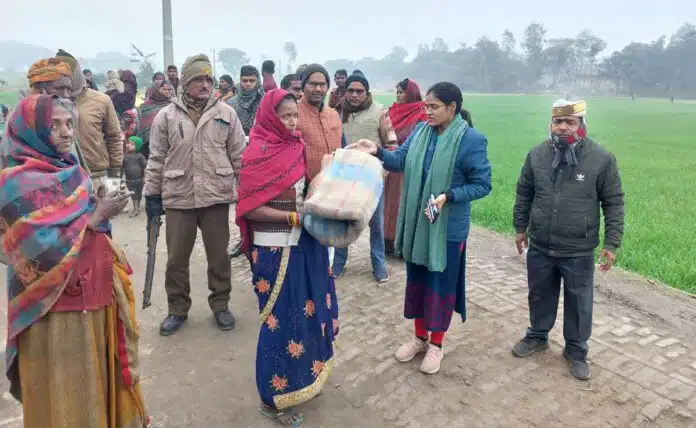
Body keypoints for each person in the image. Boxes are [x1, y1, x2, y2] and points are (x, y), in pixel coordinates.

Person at [0, 94, 148, 427]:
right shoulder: (14, 183)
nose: (66, 133)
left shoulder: (71, 170)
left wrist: (98, 206)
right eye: (54, 126)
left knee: (96, 382)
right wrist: (94, 218)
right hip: (52, 314)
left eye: (70, 124)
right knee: (68, 394)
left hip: (92, 297)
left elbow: (73, 221)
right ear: (31, 131)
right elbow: (29, 248)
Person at [348, 82, 492, 374]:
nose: (428, 111)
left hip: (447, 229)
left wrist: (450, 196)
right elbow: (399, 160)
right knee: (417, 283)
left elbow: (482, 184)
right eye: (426, 106)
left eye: (434, 107)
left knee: (440, 285)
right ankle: (419, 339)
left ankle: (437, 345)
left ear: (452, 108)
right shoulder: (420, 131)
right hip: (418, 223)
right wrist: (375, 149)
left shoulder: (471, 140)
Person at [236, 89, 338, 426]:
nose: (293, 122)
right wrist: (293, 217)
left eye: (295, 115)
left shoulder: (296, 145)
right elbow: (249, 209)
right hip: (273, 251)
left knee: (306, 315)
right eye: (285, 116)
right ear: (269, 116)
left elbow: (303, 190)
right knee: (278, 322)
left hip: (304, 246)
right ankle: (271, 399)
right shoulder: (256, 152)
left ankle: (303, 381)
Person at [511, 99, 625, 381]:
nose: (562, 128)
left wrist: (611, 243)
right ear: (551, 124)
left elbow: (613, 203)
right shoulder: (537, 155)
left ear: (581, 125)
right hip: (541, 244)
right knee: (539, 294)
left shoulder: (601, 159)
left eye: (570, 122)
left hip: (578, 248)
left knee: (579, 302)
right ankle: (537, 336)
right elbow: (524, 192)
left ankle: (576, 350)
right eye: (557, 122)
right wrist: (520, 227)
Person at [143, 54, 246, 336]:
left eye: (208, 79)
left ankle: (221, 304)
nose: (204, 84)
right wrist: (152, 195)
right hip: (178, 196)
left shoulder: (227, 113)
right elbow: (156, 157)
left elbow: (239, 156)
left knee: (219, 257)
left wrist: (246, 191)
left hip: (216, 195)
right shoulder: (166, 116)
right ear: (185, 82)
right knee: (176, 258)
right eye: (197, 79)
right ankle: (177, 309)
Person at [332, 72, 396, 282]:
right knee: (343, 221)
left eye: (359, 91)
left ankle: (378, 264)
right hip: (344, 178)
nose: (354, 95)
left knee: (376, 224)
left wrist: (382, 172)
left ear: (367, 92)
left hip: (372, 179)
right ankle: (338, 264)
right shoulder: (336, 112)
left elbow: (392, 145)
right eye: (350, 90)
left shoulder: (380, 112)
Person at [55, 49, 124, 195]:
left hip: (96, 176)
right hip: (61, 178)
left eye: (67, 74)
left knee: (103, 215)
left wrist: (115, 179)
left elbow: (114, 138)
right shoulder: (48, 103)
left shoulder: (101, 100)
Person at [384, 78, 428, 254]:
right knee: (390, 205)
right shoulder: (391, 111)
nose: (398, 95)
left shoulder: (422, 114)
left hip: (411, 167)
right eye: (397, 91)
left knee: (407, 205)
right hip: (391, 165)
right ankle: (387, 241)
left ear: (410, 94)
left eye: (401, 92)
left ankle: (404, 244)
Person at [296, 64, 343, 180]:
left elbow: (343, 147)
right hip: (302, 185)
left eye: (322, 85)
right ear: (303, 86)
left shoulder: (333, 114)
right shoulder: (292, 112)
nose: (318, 89)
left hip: (332, 183)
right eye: (312, 84)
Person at [137, 79, 173, 159]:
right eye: (164, 89)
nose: (167, 92)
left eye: (169, 90)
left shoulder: (173, 104)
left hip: (169, 140)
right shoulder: (146, 106)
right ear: (155, 90)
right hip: (150, 143)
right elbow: (144, 126)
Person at [227, 65, 264, 136]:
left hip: (259, 140)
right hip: (236, 141)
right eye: (245, 80)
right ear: (240, 81)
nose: (248, 84)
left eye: (252, 81)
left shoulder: (264, 102)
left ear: (257, 81)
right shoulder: (231, 102)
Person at [124, 136, 147, 217]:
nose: (128, 145)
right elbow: (121, 167)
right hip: (129, 180)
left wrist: (145, 177)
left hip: (140, 180)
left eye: (132, 144)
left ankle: (137, 206)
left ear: (137, 146)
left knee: (139, 194)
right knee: (134, 195)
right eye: (128, 143)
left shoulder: (140, 156)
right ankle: (136, 209)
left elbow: (144, 167)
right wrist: (120, 177)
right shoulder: (124, 156)